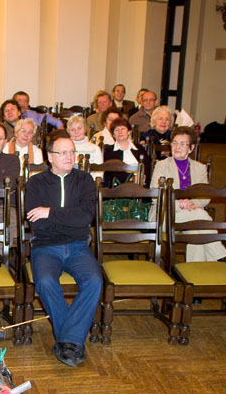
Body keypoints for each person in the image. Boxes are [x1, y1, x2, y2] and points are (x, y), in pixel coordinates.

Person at [24, 131, 102, 367]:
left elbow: (87, 216)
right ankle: (72, 342)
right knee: (46, 282)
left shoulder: (85, 180)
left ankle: (67, 342)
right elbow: (35, 222)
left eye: (72, 152)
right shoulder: (35, 183)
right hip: (45, 246)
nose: (70, 156)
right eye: (63, 152)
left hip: (78, 245)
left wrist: (51, 212)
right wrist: (68, 217)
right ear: (50, 156)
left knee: (95, 281)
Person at [149, 126, 226, 263]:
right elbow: (157, 197)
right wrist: (180, 204)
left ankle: (194, 275)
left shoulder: (200, 168)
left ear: (191, 148)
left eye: (182, 144)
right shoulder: (161, 166)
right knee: (201, 216)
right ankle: (222, 257)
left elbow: (205, 195)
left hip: (191, 213)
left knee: (196, 231)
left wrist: (191, 204)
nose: (177, 146)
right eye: (174, 143)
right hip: (164, 214)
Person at [103, 117, 151, 185]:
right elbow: (112, 172)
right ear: (113, 135)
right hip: (118, 188)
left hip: (141, 184)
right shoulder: (108, 151)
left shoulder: (139, 148)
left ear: (129, 132)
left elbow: (147, 165)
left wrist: (142, 177)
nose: (120, 132)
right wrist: (131, 179)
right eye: (116, 130)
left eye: (123, 128)